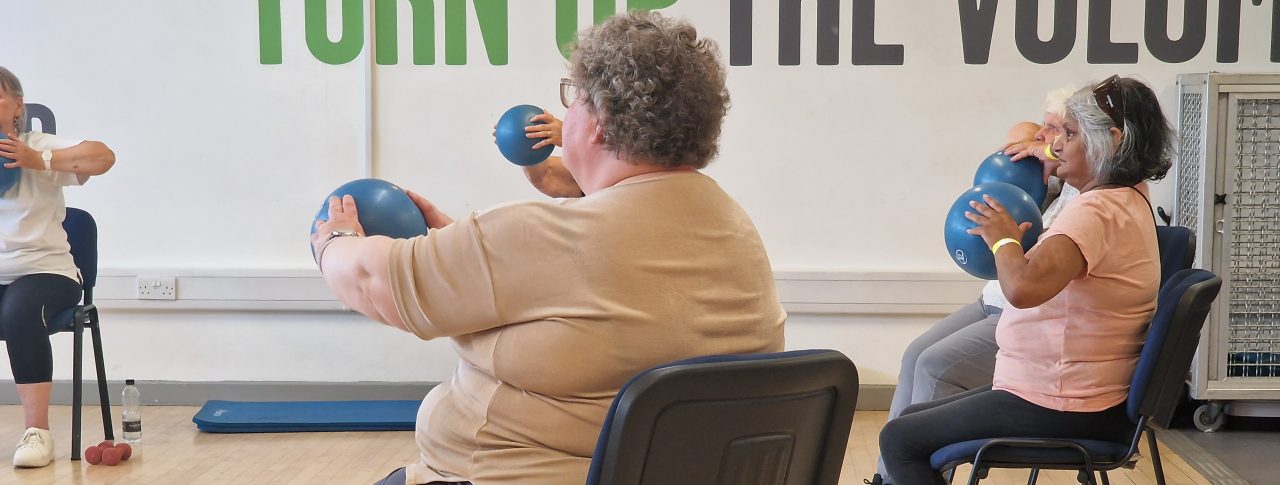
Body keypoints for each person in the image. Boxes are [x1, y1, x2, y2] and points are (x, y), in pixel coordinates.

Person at [311, 12, 785, 485]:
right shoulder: (734, 229)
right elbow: (579, 301)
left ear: (598, 125)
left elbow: (372, 280)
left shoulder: (545, 236)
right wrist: (461, 251)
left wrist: (334, 240)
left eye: (573, 98)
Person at [877, 75, 1173, 484]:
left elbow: (1022, 289)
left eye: (1070, 133)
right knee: (911, 421)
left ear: (1113, 141)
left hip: (1064, 404)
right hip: (1066, 395)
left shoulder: (1097, 212)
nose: (1057, 145)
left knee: (900, 440)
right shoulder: (1126, 198)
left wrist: (1002, 241)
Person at [868, 85, 1080, 485]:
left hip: (1028, 315)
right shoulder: (1042, 187)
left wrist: (1049, 157)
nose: (1040, 138)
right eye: (1044, 127)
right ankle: (885, 478)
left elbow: (1033, 276)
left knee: (935, 366)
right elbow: (1018, 139)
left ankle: (908, 478)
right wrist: (1042, 160)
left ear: (1076, 138)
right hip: (993, 300)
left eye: (1054, 130)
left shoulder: (1084, 196)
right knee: (915, 354)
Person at [0, 66, 116, 468]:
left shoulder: (37, 143)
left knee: (19, 311)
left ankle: (37, 433)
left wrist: (39, 158)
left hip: (45, 273)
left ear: (17, 107)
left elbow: (103, 157)